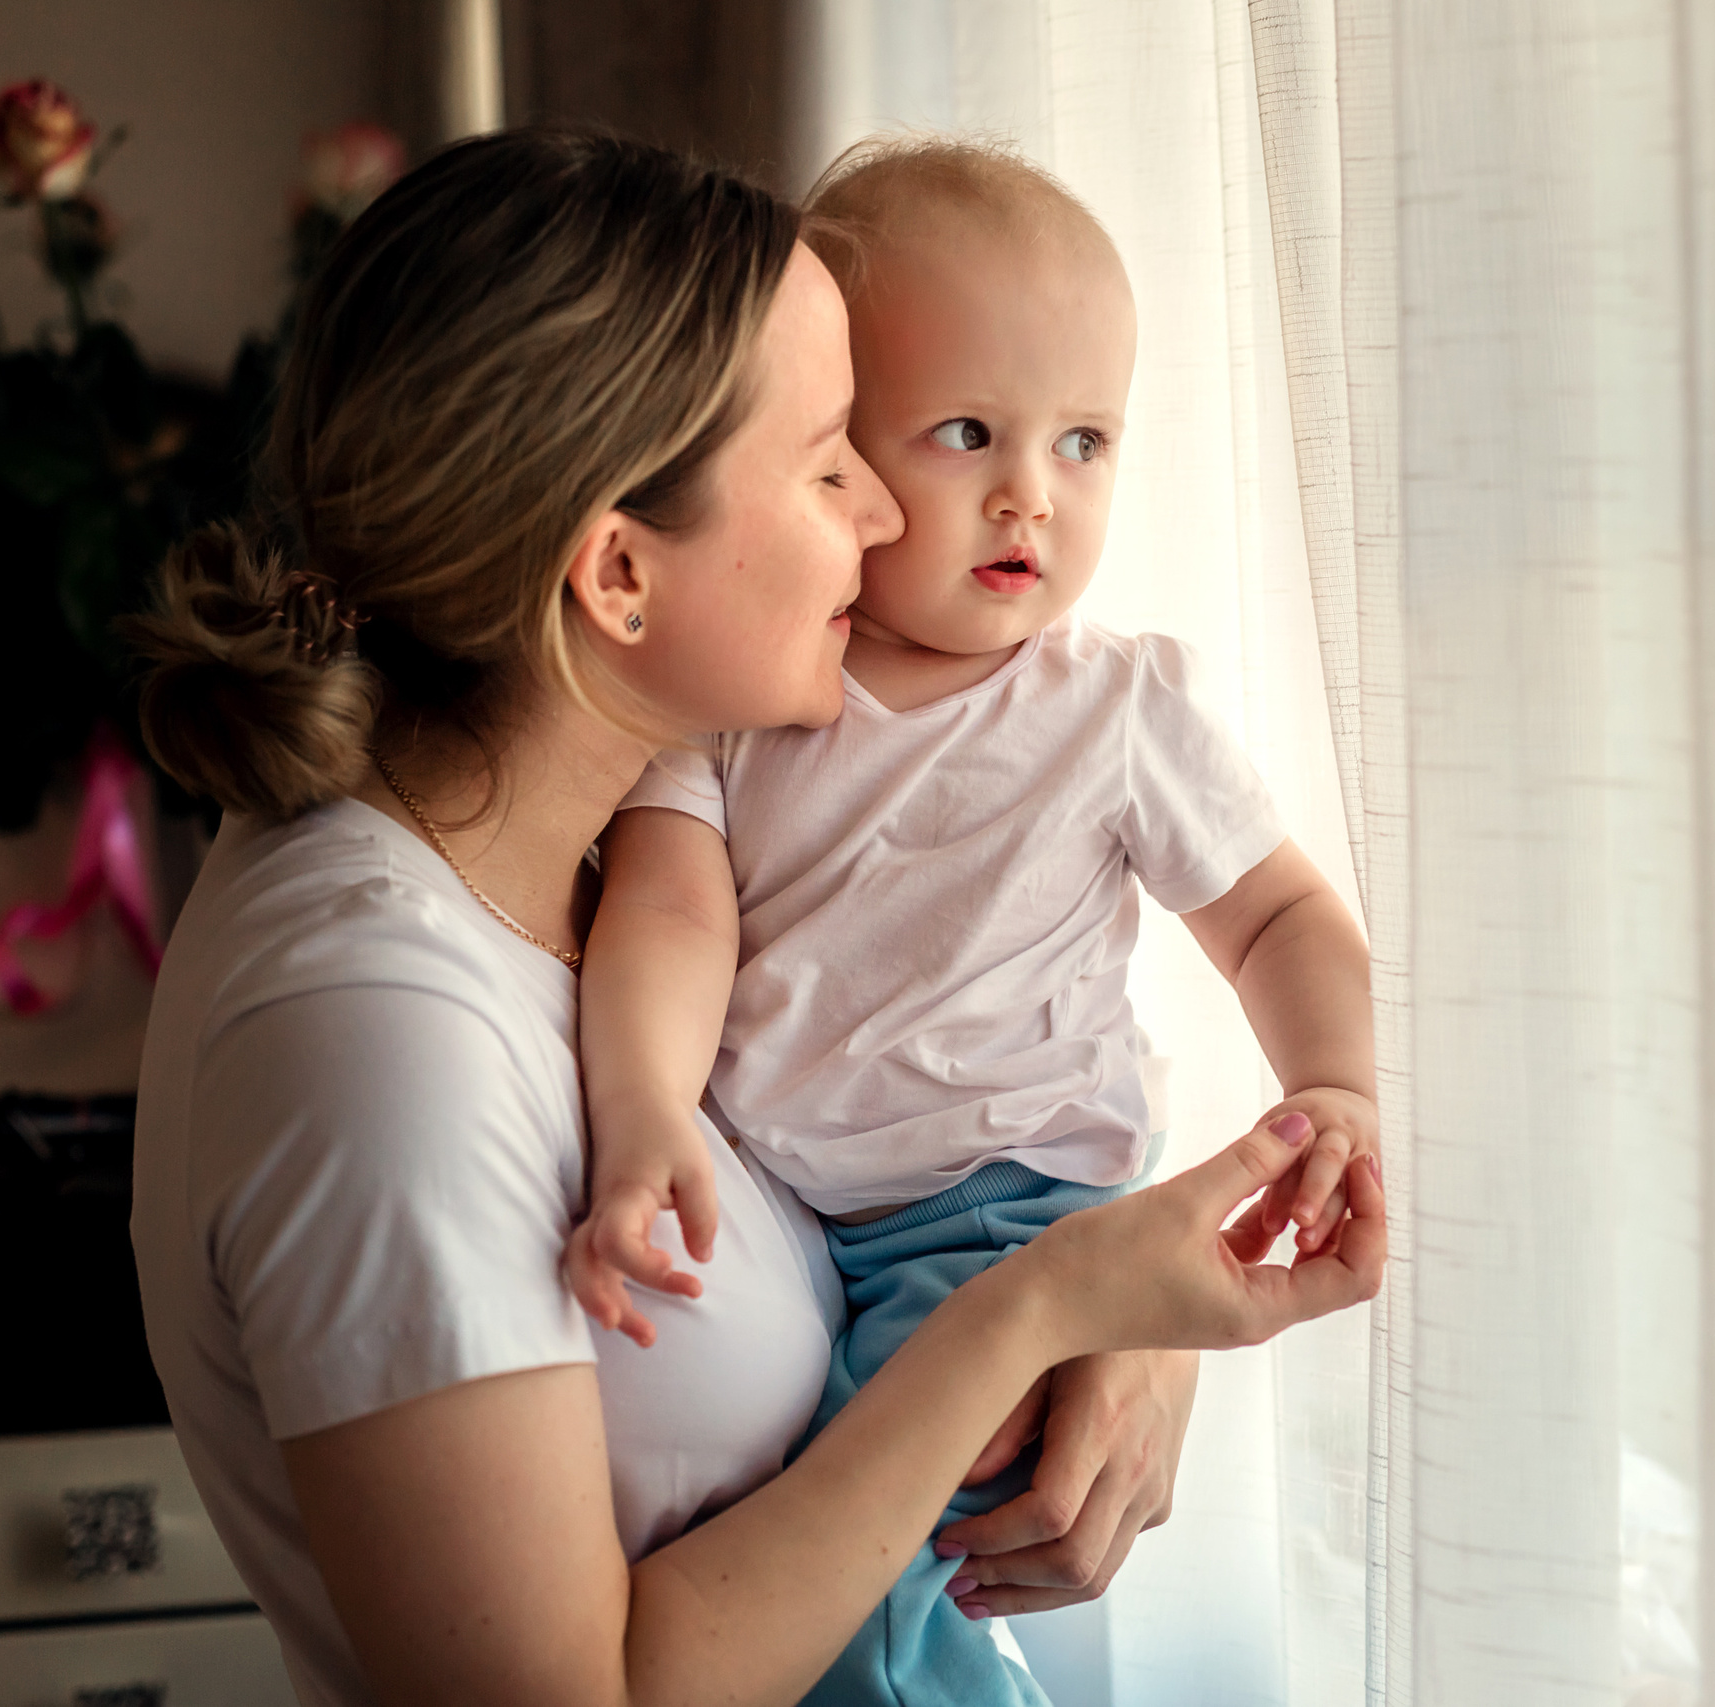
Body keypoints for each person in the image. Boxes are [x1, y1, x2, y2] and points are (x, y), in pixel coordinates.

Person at [126, 128, 1383, 1707]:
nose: (879, 515)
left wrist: (1113, 1311)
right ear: (619, 576)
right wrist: (1056, 1304)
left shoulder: (580, 850)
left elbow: (976, 1031)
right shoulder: (371, 1036)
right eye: (830, 454)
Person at [563, 137, 1382, 1706]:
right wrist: (645, 1107)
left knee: (878, 1587)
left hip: (1002, 1208)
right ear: (840, 456)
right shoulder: (745, 700)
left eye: (1086, 442)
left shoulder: (1115, 707)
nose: (1033, 496)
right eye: (966, 434)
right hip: (807, 1218)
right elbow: (669, 911)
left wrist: (1332, 1087)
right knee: (833, 1540)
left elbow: (1278, 915)